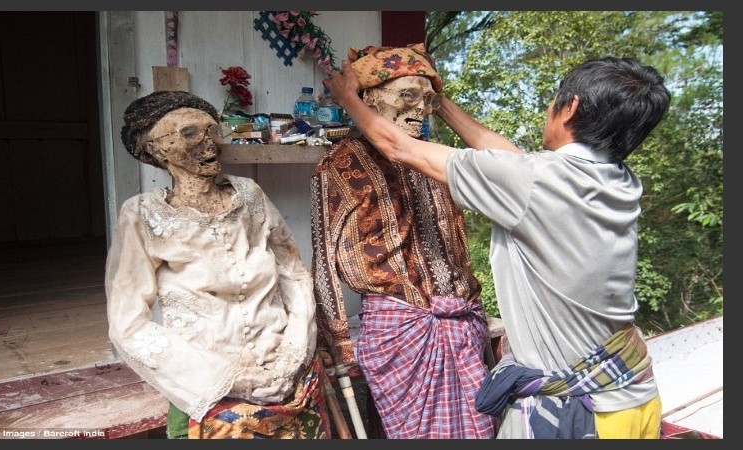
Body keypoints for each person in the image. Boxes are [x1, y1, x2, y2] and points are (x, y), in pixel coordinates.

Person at [324, 55, 671, 439]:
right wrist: (439, 102)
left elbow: (399, 147)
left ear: (570, 106)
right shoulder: (615, 180)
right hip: (634, 397)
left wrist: (348, 99)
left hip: (582, 415)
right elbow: (505, 157)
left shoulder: (535, 182)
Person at [105, 90, 330, 439]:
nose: (208, 143)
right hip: (208, 385)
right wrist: (228, 378)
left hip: (287, 372)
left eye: (212, 130)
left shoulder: (250, 194)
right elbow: (128, 324)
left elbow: (294, 275)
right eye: (189, 133)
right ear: (154, 149)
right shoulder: (142, 215)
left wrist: (294, 352)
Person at [311, 43, 496, 439]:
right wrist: (337, 341)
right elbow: (325, 257)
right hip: (400, 330)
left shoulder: (435, 159)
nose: (421, 107)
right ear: (372, 99)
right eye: (408, 95)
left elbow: (458, 244)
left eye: (428, 99)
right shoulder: (342, 163)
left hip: (462, 324)